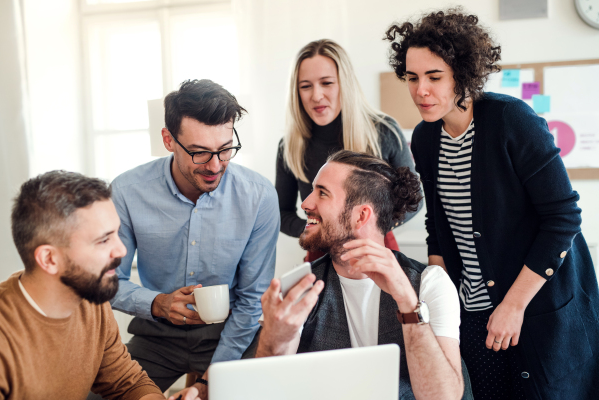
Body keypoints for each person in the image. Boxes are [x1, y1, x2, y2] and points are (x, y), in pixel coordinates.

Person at [385, 9, 599, 400]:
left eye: (435, 77)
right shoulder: (425, 139)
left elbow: (563, 218)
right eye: (413, 78)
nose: (421, 91)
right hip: (473, 310)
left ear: (462, 75)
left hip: (537, 307)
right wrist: (438, 293)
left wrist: (512, 306)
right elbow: (440, 222)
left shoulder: (511, 120)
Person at [107, 79, 280, 399]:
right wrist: (158, 303)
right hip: (156, 335)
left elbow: (252, 298)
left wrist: (208, 384)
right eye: (200, 153)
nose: (216, 165)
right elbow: (107, 282)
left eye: (226, 149)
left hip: (230, 335)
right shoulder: (127, 192)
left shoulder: (259, 197)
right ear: (168, 140)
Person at [257, 150, 471, 400]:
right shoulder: (299, 287)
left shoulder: (430, 283)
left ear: (361, 216)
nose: (305, 204)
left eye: (322, 193)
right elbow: (266, 389)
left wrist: (406, 300)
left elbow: (443, 397)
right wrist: (274, 338)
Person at [0, 171, 165, 400]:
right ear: (49, 259)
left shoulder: (90, 299)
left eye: (117, 233)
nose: (122, 251)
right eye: (103, 240)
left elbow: (128, 383)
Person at [276, 39, 421, 262]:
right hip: (320, 255)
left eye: (326, 83)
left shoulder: (384, 131)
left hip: (378, 250)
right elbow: (281, 214)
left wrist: (368, 231)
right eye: (305, 86)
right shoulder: (289, 146)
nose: (316, 95)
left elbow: (414, 201)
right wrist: (321, 232)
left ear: (345, 83)